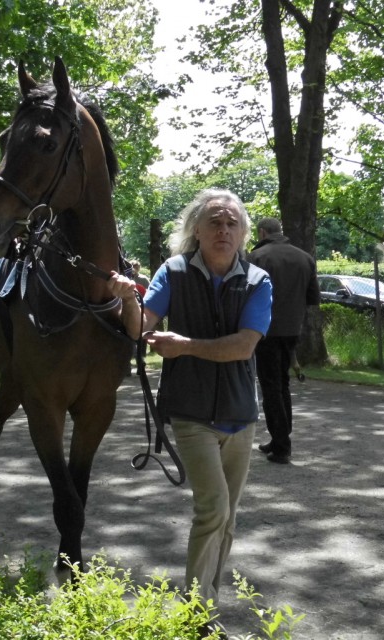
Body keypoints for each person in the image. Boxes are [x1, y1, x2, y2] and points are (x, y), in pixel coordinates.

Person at [107, 188, 272, 631]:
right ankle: (197, 615)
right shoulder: (174, 272)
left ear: (242, 233)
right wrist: (126, 298)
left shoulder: (258, 280)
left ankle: (205, 605)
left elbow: (243, 346)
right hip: (191, 411)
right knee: (213, 507)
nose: (223, 229)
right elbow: (141, 326)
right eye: (214, 221)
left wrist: (185, 347)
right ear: (196, 229)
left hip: (241, 414)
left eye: (231, 223)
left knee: (228, 519)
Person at [247, 217, 320, 464]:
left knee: (270, 386)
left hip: (265, 329)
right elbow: (312, 298)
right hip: (292, 329)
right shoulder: (305, 257)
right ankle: (280, 437)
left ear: (262, 232)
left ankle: (281, 445)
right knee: (282, 384)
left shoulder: (256, 258)